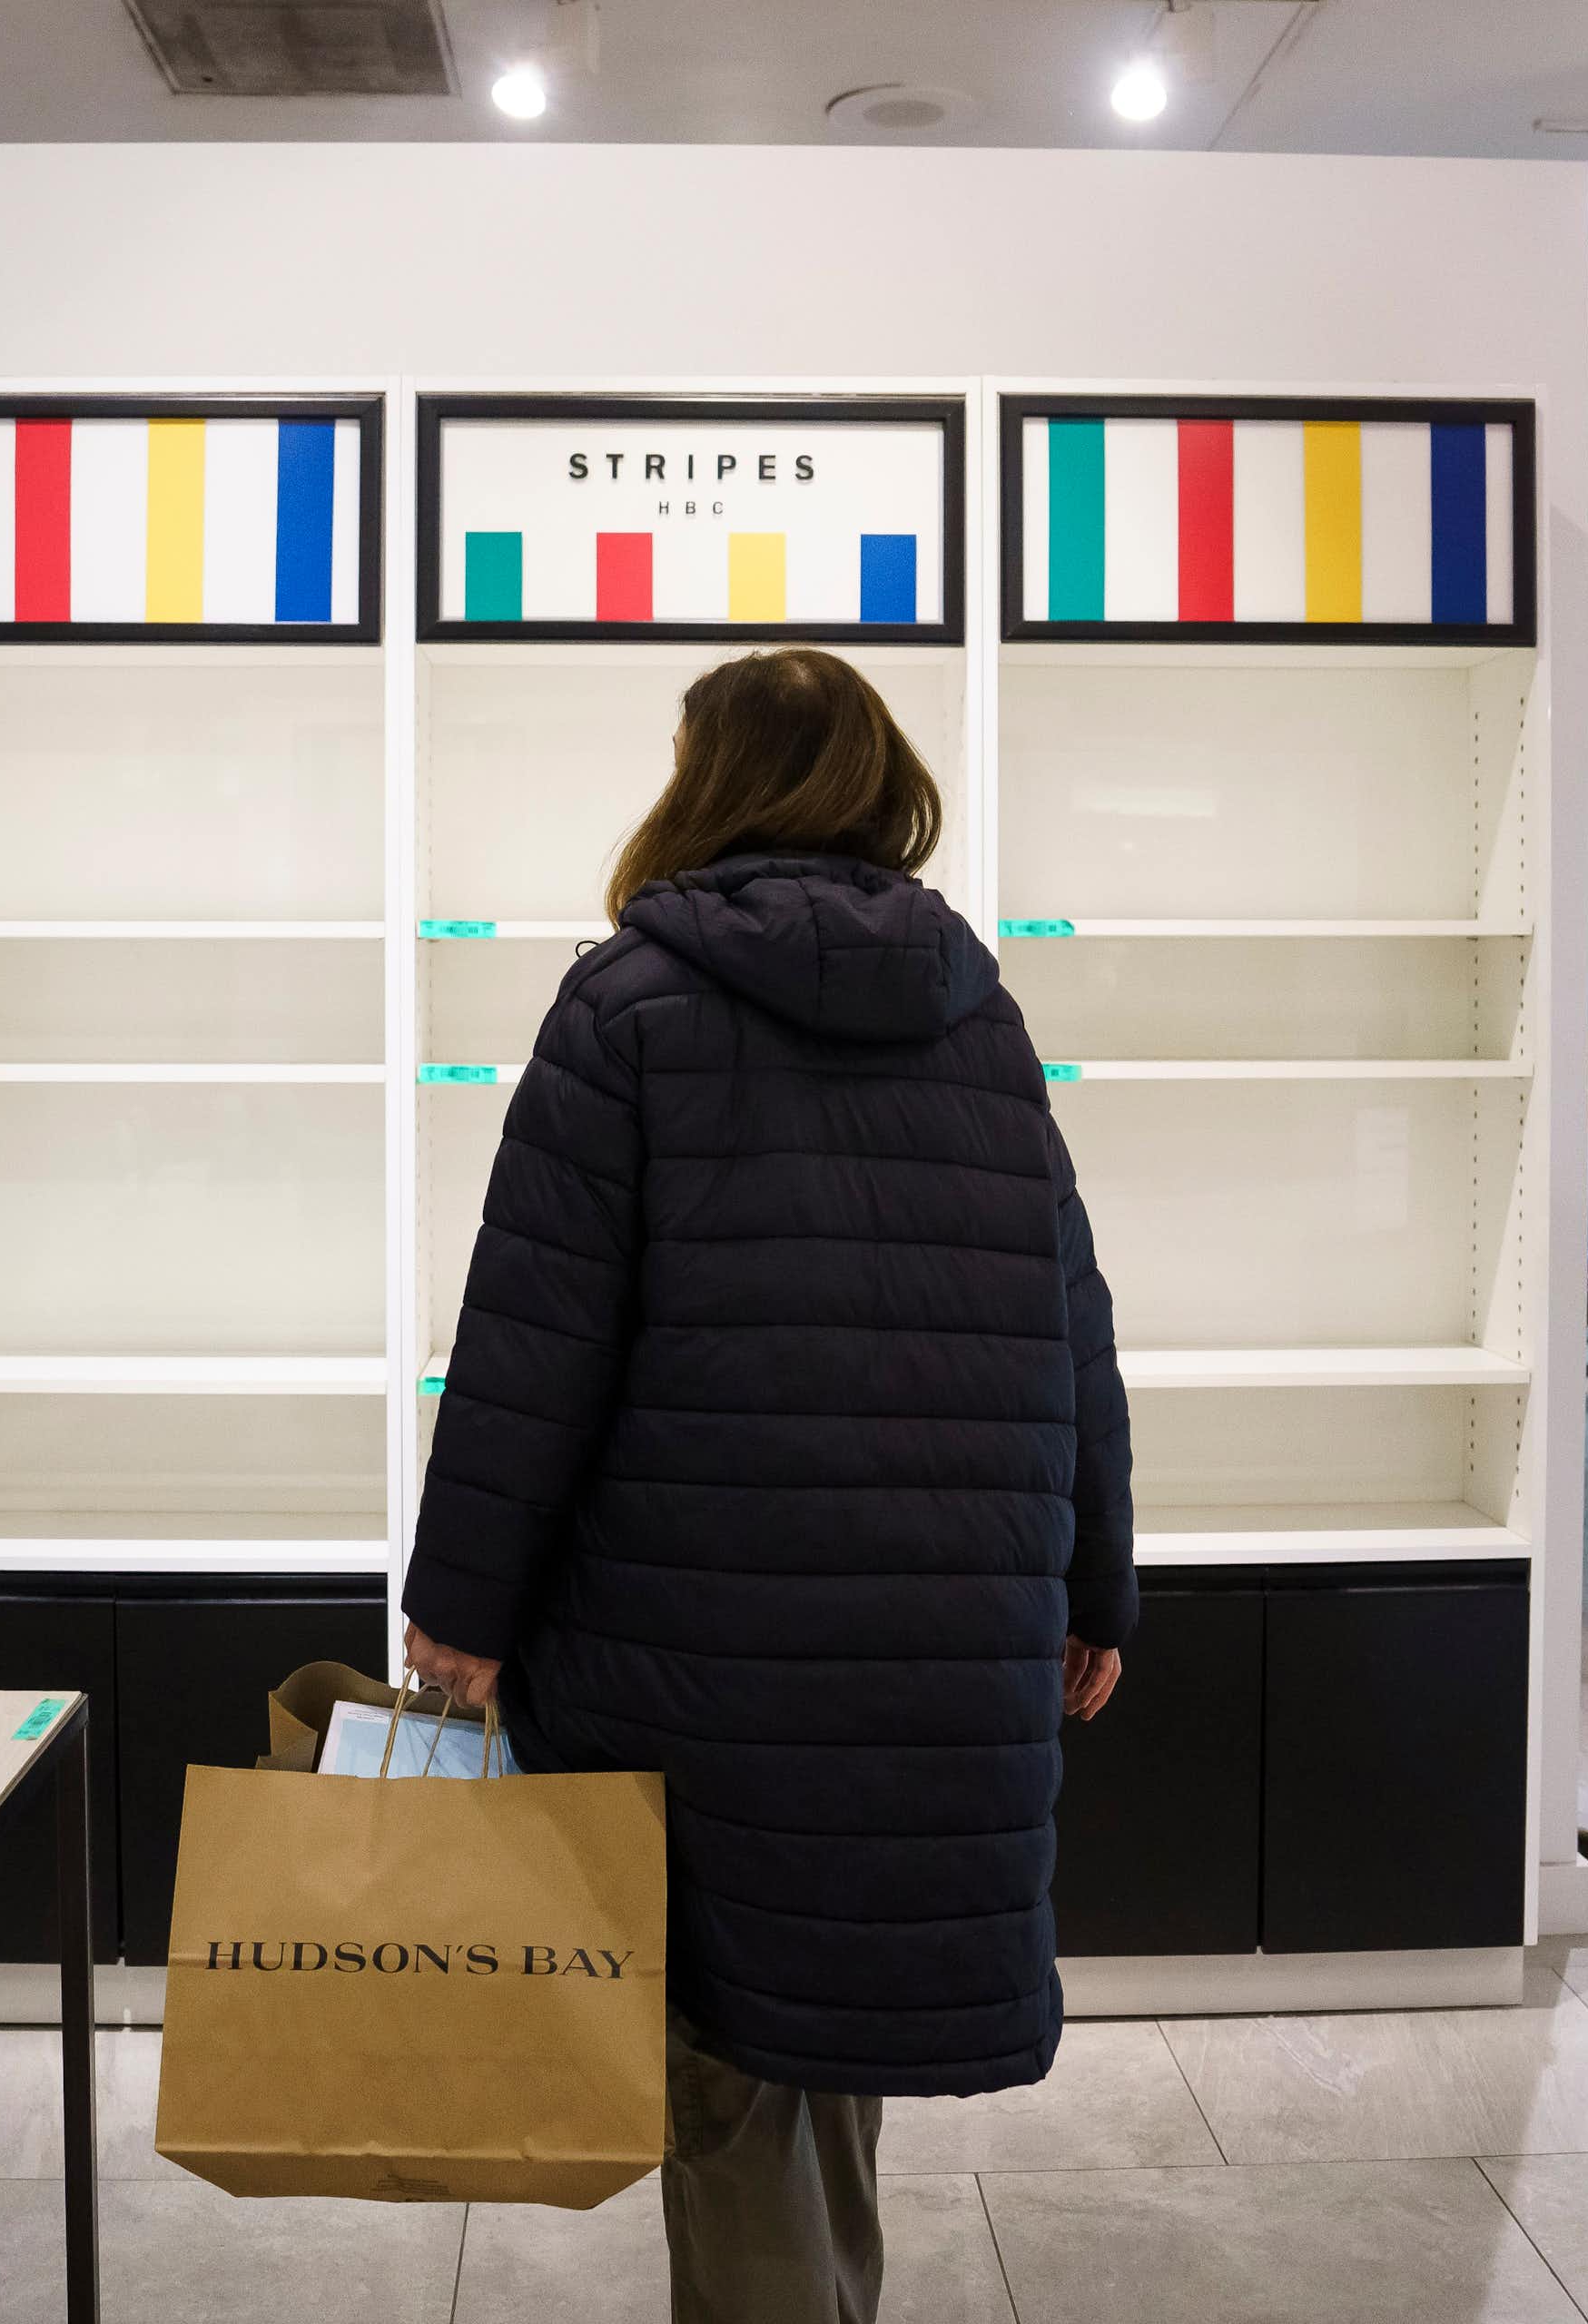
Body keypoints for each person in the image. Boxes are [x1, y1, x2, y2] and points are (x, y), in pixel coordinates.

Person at [400, 647, 1135, 2324]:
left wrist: (463, 1612)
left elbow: (534, 1339)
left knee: (727, 2050)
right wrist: (1099, 1583)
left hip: (701, 1620)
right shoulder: (978, 1011)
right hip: (945, 1627)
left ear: (706, 783)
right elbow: (1068, 1319)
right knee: (826, 2025)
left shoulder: (630, 1005)